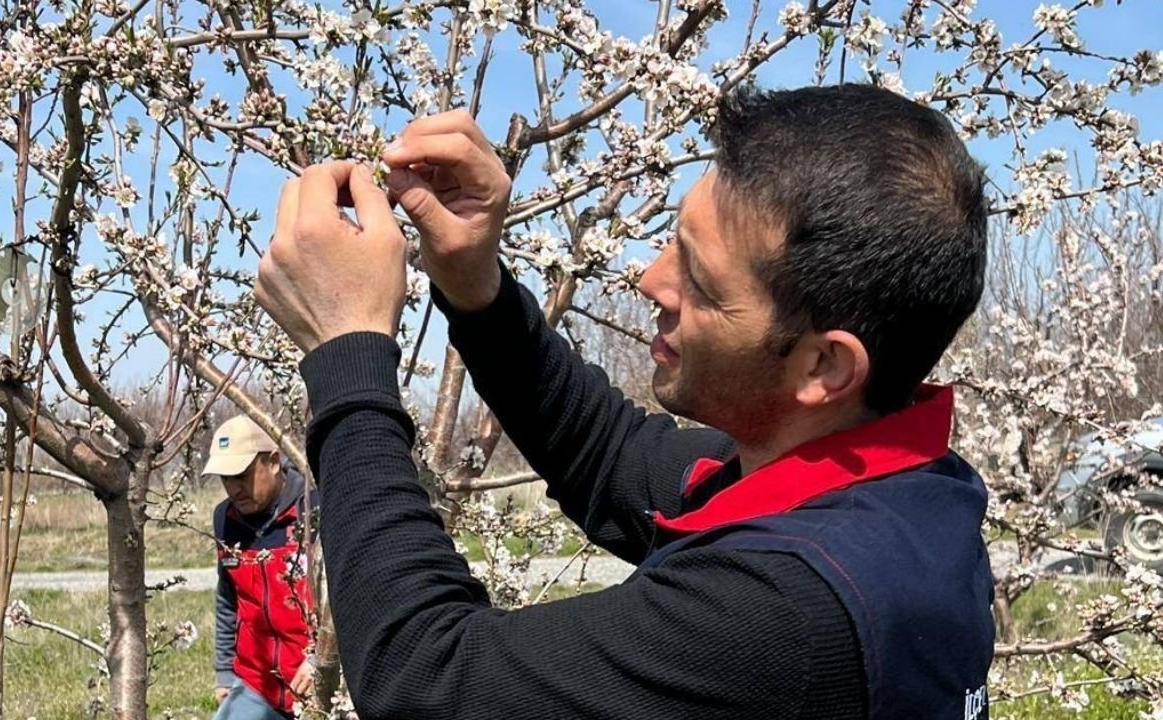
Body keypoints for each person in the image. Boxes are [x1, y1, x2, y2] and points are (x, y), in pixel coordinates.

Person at [254, 83, 995, 719]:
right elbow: (612, 456)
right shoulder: (894, 487)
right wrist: (475, 284)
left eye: (700, 282)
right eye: (673, 239)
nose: (650, 279)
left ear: (824, 364)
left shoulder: (787, 614)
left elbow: (428, 679)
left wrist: (347, 352)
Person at [205, 415, 318, 720]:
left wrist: (323, 659)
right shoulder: (224, 520)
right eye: (225, 479)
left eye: (241, 475)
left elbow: (350, 601)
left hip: (318, 680)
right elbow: (228, 600)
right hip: (257, 684)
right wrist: (225, 674)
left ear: (272, 461)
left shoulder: (315, 511)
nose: (233, 489)